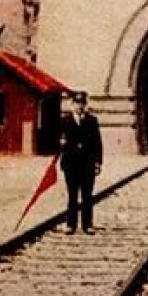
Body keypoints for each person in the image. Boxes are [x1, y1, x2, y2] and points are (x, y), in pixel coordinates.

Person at [57, 90, 104, 234]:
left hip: (87, 164)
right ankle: (71, 225)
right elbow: (59, 142)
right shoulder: (65, 121)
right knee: (72, 195)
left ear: (85, 104)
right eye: (77, 103)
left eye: (82, 103)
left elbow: (97, 143)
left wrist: (98, 162)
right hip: (71, 164)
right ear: (72, 104)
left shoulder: (92, 121)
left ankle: (87, 225)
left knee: (87, 196)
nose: (80, 106)